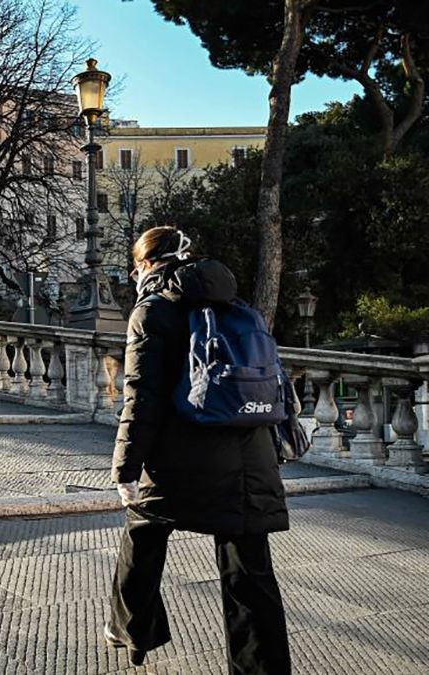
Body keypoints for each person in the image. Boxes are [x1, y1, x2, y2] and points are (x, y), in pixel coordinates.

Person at [106, 226, 291, 673]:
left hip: (182, 460)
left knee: (143, 529)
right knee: (250, 574)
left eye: (135, 267)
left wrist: (125, 468)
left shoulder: (152, 311)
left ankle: (133, 630)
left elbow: (142, 397)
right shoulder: (236, 304)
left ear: (147, 264)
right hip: (252, 459)